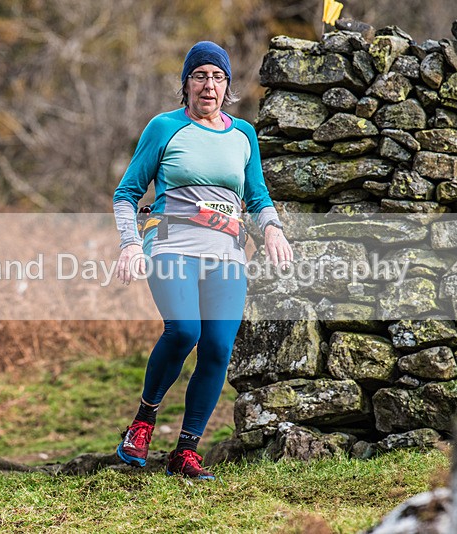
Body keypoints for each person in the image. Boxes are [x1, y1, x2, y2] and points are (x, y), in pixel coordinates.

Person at [112, 41, 292, 480]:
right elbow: (127, 193)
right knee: (184, 330)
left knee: (217, 347)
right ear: (186, 83)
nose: (208, 85)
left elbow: (257, 196)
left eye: (217, 77)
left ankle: (186, 452)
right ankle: (143, 422)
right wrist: (130, 244)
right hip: (170, 244)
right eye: (200, 75)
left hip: (226, 253)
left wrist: (271, 228)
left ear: (227, 85)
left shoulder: (243, 134)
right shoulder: (164, 127)